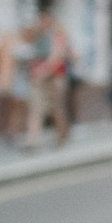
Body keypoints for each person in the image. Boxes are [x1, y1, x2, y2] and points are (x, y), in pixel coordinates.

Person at [24, 12, 73, 150]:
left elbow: (56, 58)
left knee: (56, 109)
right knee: (35, 108)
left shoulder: (58, 37)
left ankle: (62, 134)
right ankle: (32, 140)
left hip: (55, 77)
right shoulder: (37, 37)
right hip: (38, 78)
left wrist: (42, 72)